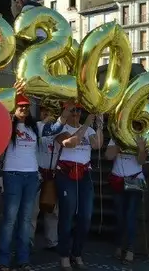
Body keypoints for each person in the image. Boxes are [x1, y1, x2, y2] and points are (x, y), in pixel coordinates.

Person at [53, 102, 103, 271]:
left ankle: (77, 252)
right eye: (73, 110)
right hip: (66, 174)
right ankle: (64, 255)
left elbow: (97, 145)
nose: (76, 113)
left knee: (86, 217)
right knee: (67, 216)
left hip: (84, 174)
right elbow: (71, 143)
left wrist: (99, 126)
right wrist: (88, 124)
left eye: (78, 110)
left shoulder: (88, 130)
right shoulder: (61, 128)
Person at [0, 94, 41, 271]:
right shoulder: (8, 125)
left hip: (31, 175)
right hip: (13, 174)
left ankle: (23, 258)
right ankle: (3, 259)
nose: (23, 109)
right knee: (10, 219)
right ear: (14, 108)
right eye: (20, 106)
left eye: (26, 107)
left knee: (25, 219)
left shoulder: (34, 127)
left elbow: (54, 128)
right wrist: (13, 94)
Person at [105, 125, 147, 266]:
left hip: (135, 180)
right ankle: (118, 245)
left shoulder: (142, 136)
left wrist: (141, 148)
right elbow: (108, 156)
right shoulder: (116, 137)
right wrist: (119, 142)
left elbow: (142, 161)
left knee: (130, 215)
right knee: (119, 216)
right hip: (118, 180)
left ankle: (130, 249)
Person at [35, 103, 63, 250]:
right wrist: (47, 122)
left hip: (52, 174)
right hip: (38, 173)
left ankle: (52, 242)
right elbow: (40, 135)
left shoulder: (59, 128)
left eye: (48, 111)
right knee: (32, 211)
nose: (45, 114)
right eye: (43, 111)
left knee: (52, 210)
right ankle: (28, 242)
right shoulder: (37, 126)